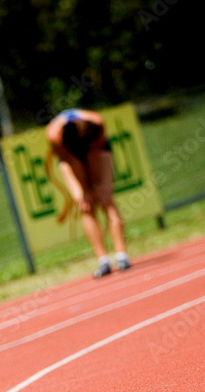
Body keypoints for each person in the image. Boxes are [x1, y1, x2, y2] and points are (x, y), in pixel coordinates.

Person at [45, 108, 131, 278]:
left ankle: (122, 256)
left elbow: (95, 151)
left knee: (105, 197)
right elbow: (68, 161)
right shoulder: (54, 135)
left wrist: (99, 184)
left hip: (98, 150)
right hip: (70, 157)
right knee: (85, 204)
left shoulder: (97, 123)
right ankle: (103, 260)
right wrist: (81, 191)